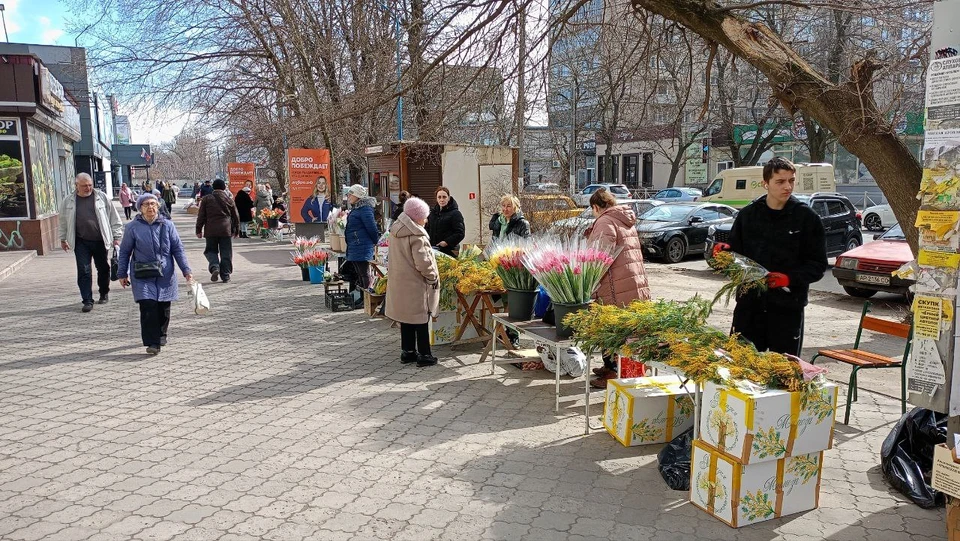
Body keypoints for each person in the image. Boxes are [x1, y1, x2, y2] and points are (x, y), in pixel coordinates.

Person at [713, 157, 827, 356]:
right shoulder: (748, 216)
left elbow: (817, 265)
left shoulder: (807, 219)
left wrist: (789, 278)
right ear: (765, 183)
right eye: (780, 182)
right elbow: (734, 255)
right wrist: (723, 252)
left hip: (787, 309)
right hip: (750, 307)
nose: (788, 187)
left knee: (783, 372)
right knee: (741, 369)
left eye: (791, 181)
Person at [585, 188, 652, 389]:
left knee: (610, 328)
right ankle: (611, 366)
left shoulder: (605, 221)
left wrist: (589, 280)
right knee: (624, 328)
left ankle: (614, 370)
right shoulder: (625, 219)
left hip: (614, 284)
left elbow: (599, 257)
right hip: (633, 281)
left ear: (596, 207)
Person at [117, 193, 193, 355]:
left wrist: (186, 270)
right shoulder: (132, 227)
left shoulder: (167, 225)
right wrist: (122, 273)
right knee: (148, 305)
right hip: (142, 273)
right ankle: (152, 342)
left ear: (158, 206)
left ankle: (161, 333)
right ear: (140, 208)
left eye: (153, 204)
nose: (150, 207)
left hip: (165, 272)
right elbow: (124, 252)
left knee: (163, 306)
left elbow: (178, 249)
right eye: (146, 205)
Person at [386, 197, 441, 367]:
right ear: (417, 217)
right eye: (424, 217)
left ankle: (407, 351)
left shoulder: (396, 230)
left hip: (400, 282)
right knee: (421, 318)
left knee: (406, 317)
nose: (426, 220)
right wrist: (433, 277)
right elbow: (424, 263)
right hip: (416, 283)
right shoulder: (416, 235)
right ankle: (425, 354)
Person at [58, 173, 124, 312]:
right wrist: (63, 238)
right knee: (84, 270)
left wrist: (117, 237)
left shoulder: (101, 197)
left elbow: (114, 218)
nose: (88, 188)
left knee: (103, 268)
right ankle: (87, 300)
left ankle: (104, 292)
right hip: (80, 241)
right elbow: (63, 221)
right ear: (76, 186)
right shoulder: (68, 201)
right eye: (84, 186)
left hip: (100, 240)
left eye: (89, 185)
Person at [196, 179, 240, 283]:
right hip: (226, 230)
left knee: (210, 251)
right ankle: (225, 275)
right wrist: (236, 230)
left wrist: (198, 229)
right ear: (224, 188)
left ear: (213, 187)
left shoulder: (206, 199)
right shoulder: (229, 199)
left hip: (210, 230)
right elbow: (236, 216)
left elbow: (201, 215)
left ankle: (215, 267)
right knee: (226, 252)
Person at [341, 184, 379, 298]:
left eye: (351, 194)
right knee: (360, 273)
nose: (348, 197)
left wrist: (376, 242)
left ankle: (366, 297)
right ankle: (362, 296)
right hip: (355, 245)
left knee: (364, 273)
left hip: (362, 245)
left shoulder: (365, 209)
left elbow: (371, 228)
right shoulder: (357, 208)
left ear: (357, 196)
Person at [427, 186, 465, 257]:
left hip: (448, 251)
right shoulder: (432, 213)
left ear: (449, 198)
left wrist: (446, 242)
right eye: (439, 197)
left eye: (444, 197)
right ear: (436, 199)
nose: (442, 200)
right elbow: (428, 229)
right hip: (432, 250)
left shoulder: (455, 213)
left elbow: (460, 233)